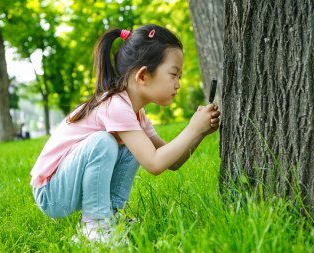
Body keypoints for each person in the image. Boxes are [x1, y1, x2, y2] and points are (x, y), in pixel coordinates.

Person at [30, 24, 220, 244]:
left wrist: (200, 133)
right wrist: (193, 128)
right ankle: (95, 227)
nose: (178, 84)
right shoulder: (115, 105)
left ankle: (112, 218)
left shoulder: (135, 113)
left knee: (130, 144)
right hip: (51, 194)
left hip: (67, 184)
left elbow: (172, 162)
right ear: (142, 76)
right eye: (173, 75)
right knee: (103, 142)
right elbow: (155, 163)